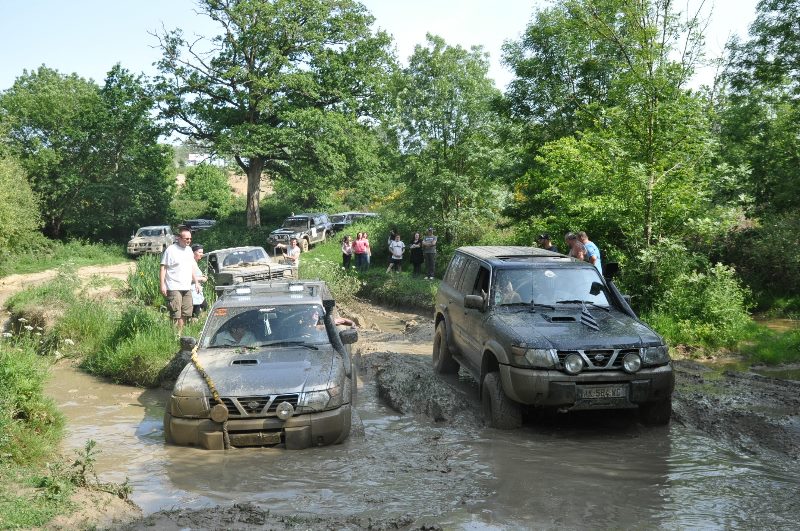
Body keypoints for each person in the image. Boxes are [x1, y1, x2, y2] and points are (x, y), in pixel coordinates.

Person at [160, 227, 200, 334]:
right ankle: (173, 335)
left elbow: (191, 268)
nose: (189, 241)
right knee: (175, 313)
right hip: (173, 286)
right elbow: (163, 267)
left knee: (185, 313)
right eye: (186, 239)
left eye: (190, 239)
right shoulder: (171, 250)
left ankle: (179, 334)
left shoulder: (189, 250)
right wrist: (162, 284)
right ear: (179, 238)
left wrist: (196, 282)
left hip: (186, 286)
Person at [190, 244, 208, 319]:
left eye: (202, 252)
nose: (202, 254)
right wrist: (201, 278)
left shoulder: (195, 262)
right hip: (193, 292)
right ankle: (194, 324)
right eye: (199, 252)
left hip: (197, 292)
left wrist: (202, 277)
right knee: (195, 313)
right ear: (193, 253)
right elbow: (188, 278)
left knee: (205, 307)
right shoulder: (191, 263)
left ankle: (200, 322)